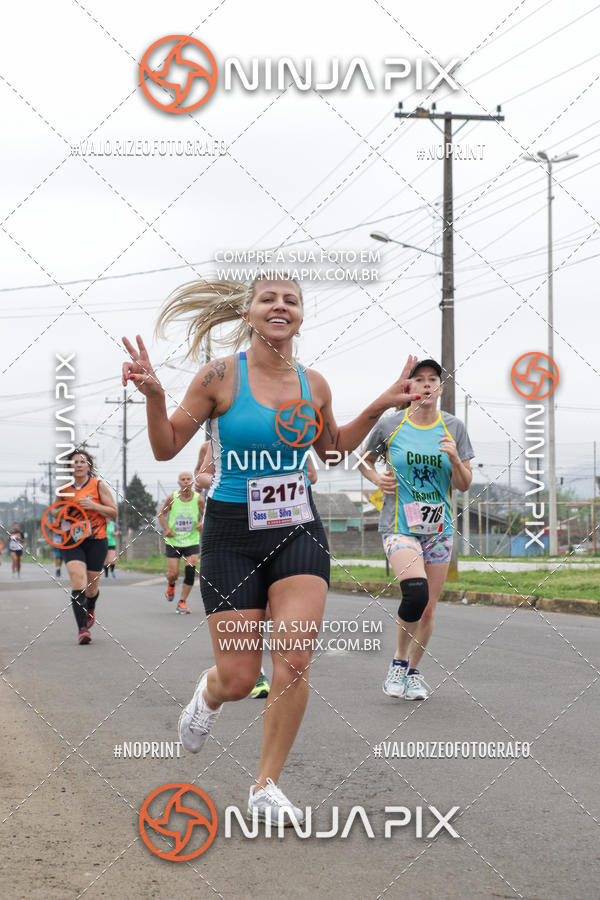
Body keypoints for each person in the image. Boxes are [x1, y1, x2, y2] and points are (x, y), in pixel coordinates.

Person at [122, 274, 418, 824]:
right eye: (269, 299)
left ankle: (265, 786)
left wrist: (379, 403)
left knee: (295, 659)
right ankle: (208, 696)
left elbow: (331, 450)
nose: (280, 307)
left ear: (301, 315)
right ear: (250, 312)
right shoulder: (219, 376)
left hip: (297, 528)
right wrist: (157, 396)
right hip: (232, 534)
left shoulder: (315, 384)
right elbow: (166, 449)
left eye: (291, 300)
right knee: (238, 678)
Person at [359, 359, 474, 702]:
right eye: (419, 380)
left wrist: (454, 460)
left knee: (428, 609)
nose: (426, 385)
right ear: (409, 388)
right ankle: (397, 662)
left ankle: (412, 673)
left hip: (439, 529)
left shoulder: (454, 427)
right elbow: (362, 459)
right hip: (399, 526)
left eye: (432, 380)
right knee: (415, 593)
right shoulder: (390, 425)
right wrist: (376, 477)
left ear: (440, 387)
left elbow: (465, 484)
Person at [56, 449, 118, 644]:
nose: (79, 464)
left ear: (89, 466)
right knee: (78, 582)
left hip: (96, 540)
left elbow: (113, 512)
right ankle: (82, 629)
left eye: (83, 461)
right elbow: (55, 512)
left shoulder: (98, 486)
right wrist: (64, 519)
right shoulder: (64, 490)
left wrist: (95, 506)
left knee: (91, 587)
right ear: (70, 467)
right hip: (72, 541)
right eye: (75, 462)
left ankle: (90, 605)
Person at [158, 472, 204, 614]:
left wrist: (202, 523)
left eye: (188, 479)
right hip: (174, 541)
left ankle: (182, 601)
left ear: (192, 482)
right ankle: (171, 585)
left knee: (190, 571)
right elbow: (161, 514)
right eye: (182, 480)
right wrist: (166, 529)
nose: (185, 482)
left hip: (192, 540)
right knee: (173, 574)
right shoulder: (173, 497)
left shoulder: (199, 499)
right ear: (178, 483)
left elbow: (205, 514)